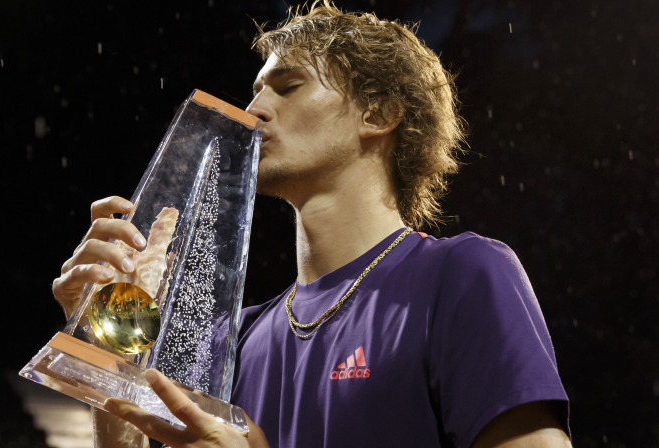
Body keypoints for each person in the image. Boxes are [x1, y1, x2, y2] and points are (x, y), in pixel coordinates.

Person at [52, 2, 571, 447]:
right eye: (256, 90)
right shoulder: (233, 341)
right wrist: (112, 343)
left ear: (378, 114)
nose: (253, 110)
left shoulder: (461, 275)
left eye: (288, 86)